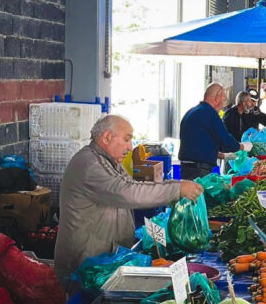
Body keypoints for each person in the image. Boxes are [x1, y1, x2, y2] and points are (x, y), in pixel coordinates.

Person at [55, 115, 204, 291]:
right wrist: (176, 189)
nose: (130, 147)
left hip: (103, 261)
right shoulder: (90, 164)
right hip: (86, 265)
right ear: (107, 137)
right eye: (126, 139)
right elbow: (128, 193)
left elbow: (133, 186)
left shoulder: (108, 162)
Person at [179, 83, 251, 180]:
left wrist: (223, 155)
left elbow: (199, 144)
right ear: (217, 98)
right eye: (223, 100)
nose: (222, 105)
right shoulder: (210, 113)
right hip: (199, 170)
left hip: (186, 168)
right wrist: (242, 146)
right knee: (198, 194)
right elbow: (225, 139)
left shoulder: (192, 112)